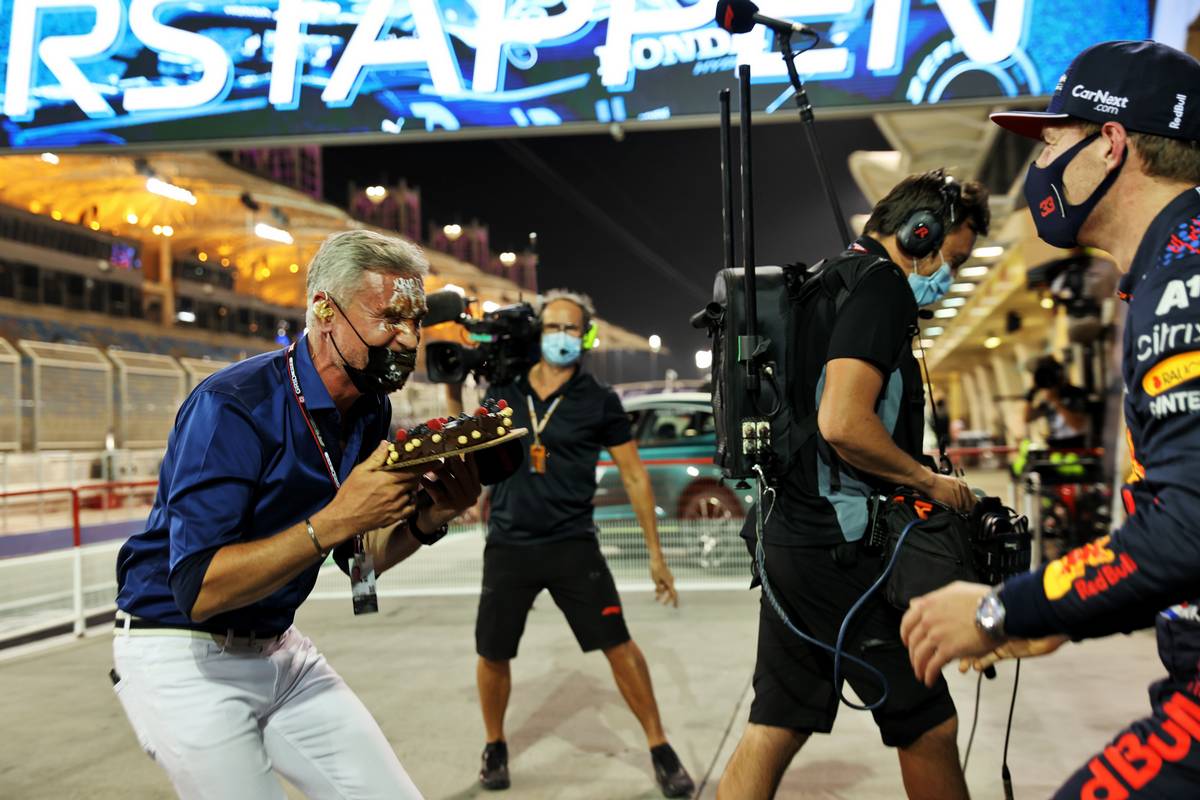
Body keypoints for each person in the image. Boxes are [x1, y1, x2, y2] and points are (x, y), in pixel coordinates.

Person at [900, 40, 1200, 798]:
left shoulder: (1183, 284)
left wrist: (1004, 608)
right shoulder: (1174, 266)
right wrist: (1074, 611)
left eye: (1054, 140)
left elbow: (1187, 532)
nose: (1039, 167)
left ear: (1110, 144)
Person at [111, 229, 482, 799]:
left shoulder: (368, 409)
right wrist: (337, 519)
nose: (408, 339)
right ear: (323, 311)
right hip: (180, 648)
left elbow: (359, 571)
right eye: (390, 318)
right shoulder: (233, 405)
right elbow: (198, 588)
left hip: (279, 648)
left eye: (417, 320)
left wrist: (426, 522)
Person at [717, 169, 991, 800]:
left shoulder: (825, 283)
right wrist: (928, 480)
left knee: (776, 723)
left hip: (792, 538)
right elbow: (843, 423)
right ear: (919, 233)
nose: (949, 276)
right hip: (846, 553)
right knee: (929, 726)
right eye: (952, 257)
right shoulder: (882, 288)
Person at [445, 289, 695, 797]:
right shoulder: (505, 389)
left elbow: (634, 477)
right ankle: (494, 744)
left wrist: (656, 556)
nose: (561, 337)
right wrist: (453, 385)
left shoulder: (598, 399)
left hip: (572, 544)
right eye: (552, 327)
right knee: (493, 652)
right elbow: (463, 439)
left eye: (570, 329)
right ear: (539, 333)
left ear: (584, 336)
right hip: (509, 543)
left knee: (619, 646)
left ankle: (659, 745)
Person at [1024, 355, 1090, 449]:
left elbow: (1077, 425)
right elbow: (1027, 418)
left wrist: (1056, 402)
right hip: (1055, 447)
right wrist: (1032, 391)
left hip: (1076, 446)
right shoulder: (1046, 398)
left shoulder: (1075, 393)